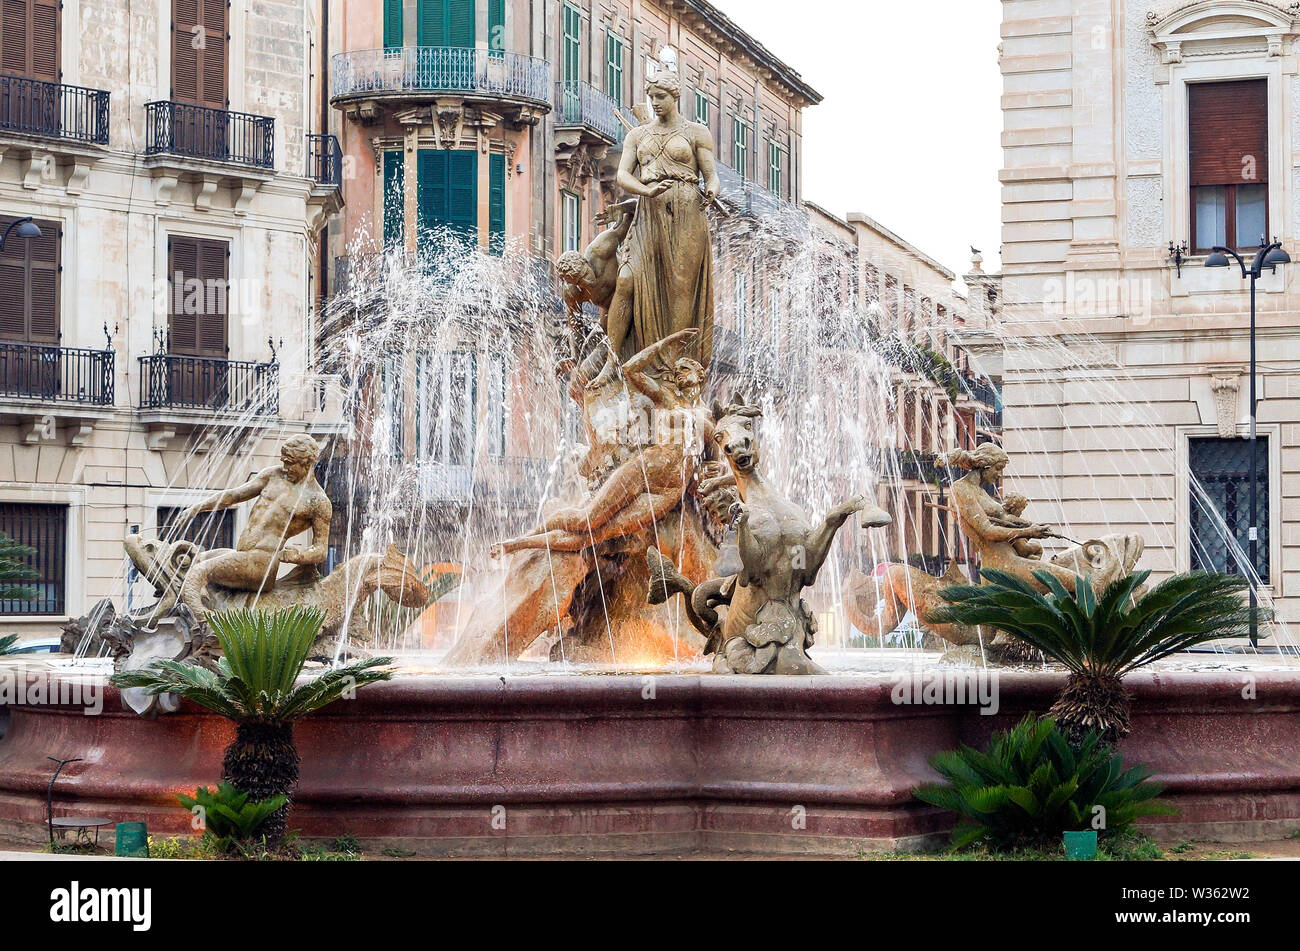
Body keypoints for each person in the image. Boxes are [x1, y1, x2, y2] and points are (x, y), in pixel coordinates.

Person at [493, 329, 707, 555]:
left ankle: (519, 546)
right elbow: (629, 369)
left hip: (670, 490)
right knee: (586, 519)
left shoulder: (707, 415)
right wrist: (666, 340)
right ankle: (521, 539)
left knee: (593, 537)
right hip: (645, 468)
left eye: (684, 369)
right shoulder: (666, 398)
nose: (678, 375)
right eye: (675, 371)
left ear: (699, 375)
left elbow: (720, 457)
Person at [595, 68, 718, 385]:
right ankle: (613, 359)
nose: (655, 104)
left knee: (681, 288)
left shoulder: (696, 132)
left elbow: (710, 174)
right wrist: (644, 189)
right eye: (651, 98)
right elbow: (623, 174)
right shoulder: (637, 135)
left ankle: (671, 368)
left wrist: (712, 189)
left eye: (661, 97)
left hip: (686, 211)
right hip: (648, 210)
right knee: (626, 280)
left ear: (675, 96)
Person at [176, 434, 332, 615]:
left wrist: (299, 556)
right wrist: (196, 508)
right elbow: (232, 496)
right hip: (242, 555)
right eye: (284, 461)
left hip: (261, 564)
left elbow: (321, 550)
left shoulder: (318, 501)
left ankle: (204, 623)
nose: (285, 467)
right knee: (188, 564)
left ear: (307, 463)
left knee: (198, 572)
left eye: (290, 463)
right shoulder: (273, 475)